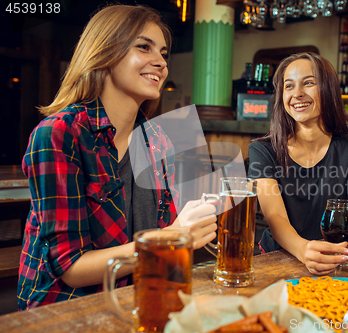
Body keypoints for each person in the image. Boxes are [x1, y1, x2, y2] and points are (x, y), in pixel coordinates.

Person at [18, 5, 217, 310]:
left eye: (163, 53)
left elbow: (170, 237)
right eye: (144, 47)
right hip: (66, 308)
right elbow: (71, 269)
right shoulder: (58, 133)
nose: (161, 62)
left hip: (138, 298)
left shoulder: (160, 139)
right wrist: (173, 237)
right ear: (104, 53)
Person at [248, 53, 348, 277]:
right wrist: (303, 250)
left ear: (328, 89)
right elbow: (275, 218)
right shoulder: (263, 150)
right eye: (289, 86)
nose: (297, 94)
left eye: (309, 83)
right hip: (278, 261)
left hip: (336, 262)